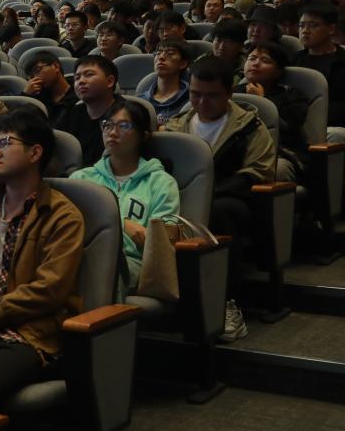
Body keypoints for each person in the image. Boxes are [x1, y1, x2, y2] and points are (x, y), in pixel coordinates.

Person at [0, 109, 84, 408]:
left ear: (35, 152)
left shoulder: (62, 216)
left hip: (28, 334)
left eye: (5, 143)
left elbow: (50, 289)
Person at [164, 57, 275, 342]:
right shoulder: (177, 127)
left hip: (233, 200)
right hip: (181, 201)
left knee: (218, 212)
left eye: (211, 96)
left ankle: (227, 302)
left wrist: (209, 193)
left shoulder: (249, 126)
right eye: (195, 94)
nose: (202, 102)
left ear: (228, 93)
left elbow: (257, 172)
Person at [72, 100, 180, 299]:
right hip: (81, 253)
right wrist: (123, 225)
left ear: (143, 136)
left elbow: (161, 242)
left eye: (124, 126)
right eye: (108, 125)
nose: (112, 132)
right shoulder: (81, 179)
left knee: (106, 272)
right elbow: (68, 225)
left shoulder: (161, 183)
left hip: (131, 262)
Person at [236, 41, 308, 181]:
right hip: (239, 151)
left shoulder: (292, 95)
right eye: (251, 58)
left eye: (265, 60)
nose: (255, 64)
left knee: (278, 169)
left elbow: (288, 128)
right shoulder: (232, 94)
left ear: (278, 71)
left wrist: (261, 101)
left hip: (279, 152)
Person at [57, 55, 121, 167]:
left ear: (110, 81)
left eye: (89, 75)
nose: (81, 81)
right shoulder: (70, 113)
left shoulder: (128, 115)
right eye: (77, 78)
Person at [291, 2, 345, 130]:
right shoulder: (293, 60)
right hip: (295, 124)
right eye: (301, 26)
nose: (305, 31)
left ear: (331, 29)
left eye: (313, 26)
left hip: (333, 127)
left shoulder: (342, 61)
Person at [136, 40, 191, 126]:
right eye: (158, 53)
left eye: (170, 53)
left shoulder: (191, 101)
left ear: (183, 63)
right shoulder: (139, 102)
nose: (161, 57)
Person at [23, 50, 78, 124]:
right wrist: (26, 95)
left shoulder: (79, 92)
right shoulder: (38, 98)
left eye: (37, 70)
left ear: (56, 66)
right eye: (31, 76)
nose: (35, 78)